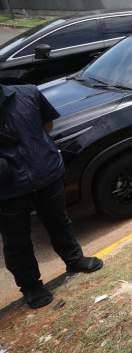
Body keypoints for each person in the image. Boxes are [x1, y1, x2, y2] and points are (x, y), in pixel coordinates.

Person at [0, 85, 103, 309]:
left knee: (58, 220)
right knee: (16, 241)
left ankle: (74, 259)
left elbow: (47, 124)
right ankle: (30, 286)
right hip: (8, 188)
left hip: (45, 173)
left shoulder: (28, 93)